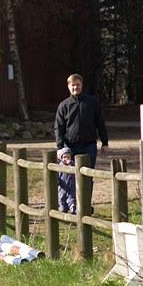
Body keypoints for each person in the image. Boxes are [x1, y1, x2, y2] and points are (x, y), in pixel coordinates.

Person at [54, 73, 108, 206]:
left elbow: (100, 123)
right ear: (68, 87)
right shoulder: (64, 106)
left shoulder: (92, 102)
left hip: (88, 146)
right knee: (68, 177)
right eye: (73, 85)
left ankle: (85, 205)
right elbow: (58, 127)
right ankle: (69, 204)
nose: (75, 87)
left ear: (82, 85)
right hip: (70, 147)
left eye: (78, 85)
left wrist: (105, 142)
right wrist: (60, 147)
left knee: (87, 176)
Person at [57, 147, 76, 214]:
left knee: (72, 200)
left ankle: (73, 210)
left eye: (68, 157)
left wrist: (71, 165)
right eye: (64, 157)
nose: (66, 159)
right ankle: (63, 210)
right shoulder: (59, 166)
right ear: (61, 158)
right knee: (62, 201)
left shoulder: (73, 165)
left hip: (72, 187)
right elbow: (57, 175)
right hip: (62, 188)